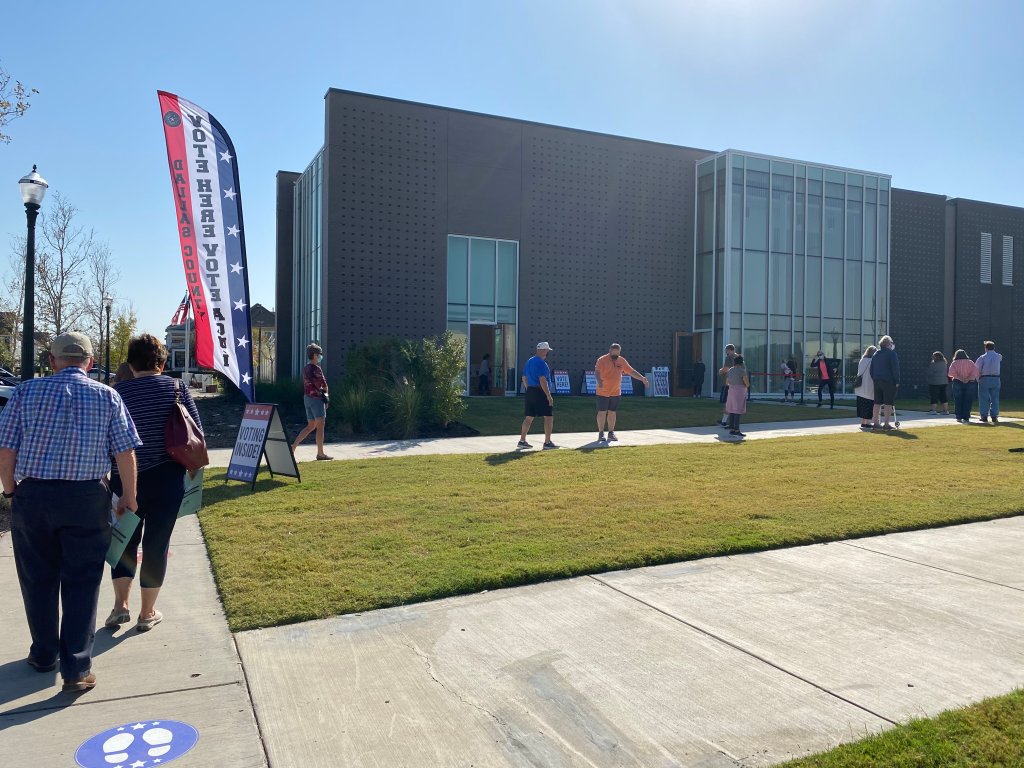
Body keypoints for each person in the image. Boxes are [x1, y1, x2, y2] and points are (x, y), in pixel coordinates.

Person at [0, 332, 141, 693]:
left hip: (34, 495)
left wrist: (11, 489)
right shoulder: (108, 396)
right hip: (86, 496)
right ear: (90, 362)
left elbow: (6, 449)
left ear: (52, 360)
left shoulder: (25, 393)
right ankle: (77, 667)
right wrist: (129, 496)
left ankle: (44, 653)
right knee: (82, 580)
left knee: (37, 578)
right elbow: (125, 452)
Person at [104, 334, 203, 633]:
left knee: (124, 543)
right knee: (157, 544)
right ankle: (147, 613)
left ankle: (120, 605)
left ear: (131, 364)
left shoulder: (116, 393)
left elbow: (106, 438)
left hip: (125, 478)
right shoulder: (177, 388)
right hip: (167, 477)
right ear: (161, 362)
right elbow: (196, 431)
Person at [594, 343, 649, 443]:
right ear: (610, 351)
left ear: (619, 352)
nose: (615, 357)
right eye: (613, 355)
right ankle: (601, 433)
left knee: (612, 412)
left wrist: (642, 378)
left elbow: (631, 371)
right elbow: (597, 372)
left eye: (617, 355)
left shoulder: (621, 360)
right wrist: (599, 381)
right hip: (602, 391)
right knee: (602, 412)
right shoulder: (602, 360)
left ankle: (611, 433)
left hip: (615, 391)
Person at [292, 343, 333, 460]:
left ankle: (294, 446)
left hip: (307, 399)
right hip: (316, 400)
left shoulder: (306, 368)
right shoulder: (317, 369)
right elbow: (324, 386)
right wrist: (327, 400)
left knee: (310, 426)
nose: (321, 356)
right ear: (315, 355)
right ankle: (320, 453)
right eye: (320, 354)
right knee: (320, 426)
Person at [518, 342, 557, 450]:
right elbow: (542, 379)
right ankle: (547, 442)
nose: (548, 352)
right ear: (543, 350)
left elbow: (524, 378)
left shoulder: (529, 361)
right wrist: (548, 396)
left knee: (529, 416)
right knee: (548, 417)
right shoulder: (541, 363)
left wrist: (529, 389)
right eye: (547, 350)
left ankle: (522, 440)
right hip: (540, 391)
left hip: (530, 390)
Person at [869, 336, 901, 430]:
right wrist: (897, 381)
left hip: (877, 380)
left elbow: (871, 369)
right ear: (888, 344)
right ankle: (886, 424)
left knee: (877, 402)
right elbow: (895, 368)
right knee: (888, 403)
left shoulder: (876, 354)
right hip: (888, 381)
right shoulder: (892, 354)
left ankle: (876, 423)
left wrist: (874, 378)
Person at [948, 349, 980, 423]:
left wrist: (960, 378)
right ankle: (966, 417)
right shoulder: (970, 362)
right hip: (969, 383)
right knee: (968, 400)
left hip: (957, 382)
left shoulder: (954, 363)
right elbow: (975, 373)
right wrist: (967, 379)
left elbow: (950, 373)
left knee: (958, 400)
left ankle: (958, 416)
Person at [975, 340, 1002, 424]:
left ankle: (984, 416)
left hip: (985, 378)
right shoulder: (998, 356)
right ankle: (994, 416)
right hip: (996, 378)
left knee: (983, 398)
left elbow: (977, 369)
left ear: (986, 348)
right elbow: (1000, 358)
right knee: (995, 398)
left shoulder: (982, 357)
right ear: (994, 347)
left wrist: (977, 379)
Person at [724, 354, 750, 438]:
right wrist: (747, 385)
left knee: (731, 409)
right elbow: (746, 382)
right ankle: (736, 429)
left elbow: (727, 382)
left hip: (731, 390)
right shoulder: (742, 371)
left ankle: (731, 429)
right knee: (738, 410)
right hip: (739, 391)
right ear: (741, 362)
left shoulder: (730, 370)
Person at [854, 346, 877, 429]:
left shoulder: (862, 360)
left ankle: (863, 422)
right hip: (869, 385)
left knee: (862, 404)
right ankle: (867, 422)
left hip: (860, 386)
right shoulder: (872, 361)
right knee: (869, 404)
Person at [718, 344, 737, 427]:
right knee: (735, 403)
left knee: (728, 402)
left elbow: (726, 368)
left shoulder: (729, 357)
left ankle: (724, 421)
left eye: (726, 350)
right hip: (738, 383)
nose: (726, 352)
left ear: (729, 350)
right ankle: (731, 422)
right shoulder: (739, 358)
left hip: (730, 383)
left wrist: (720, 371)